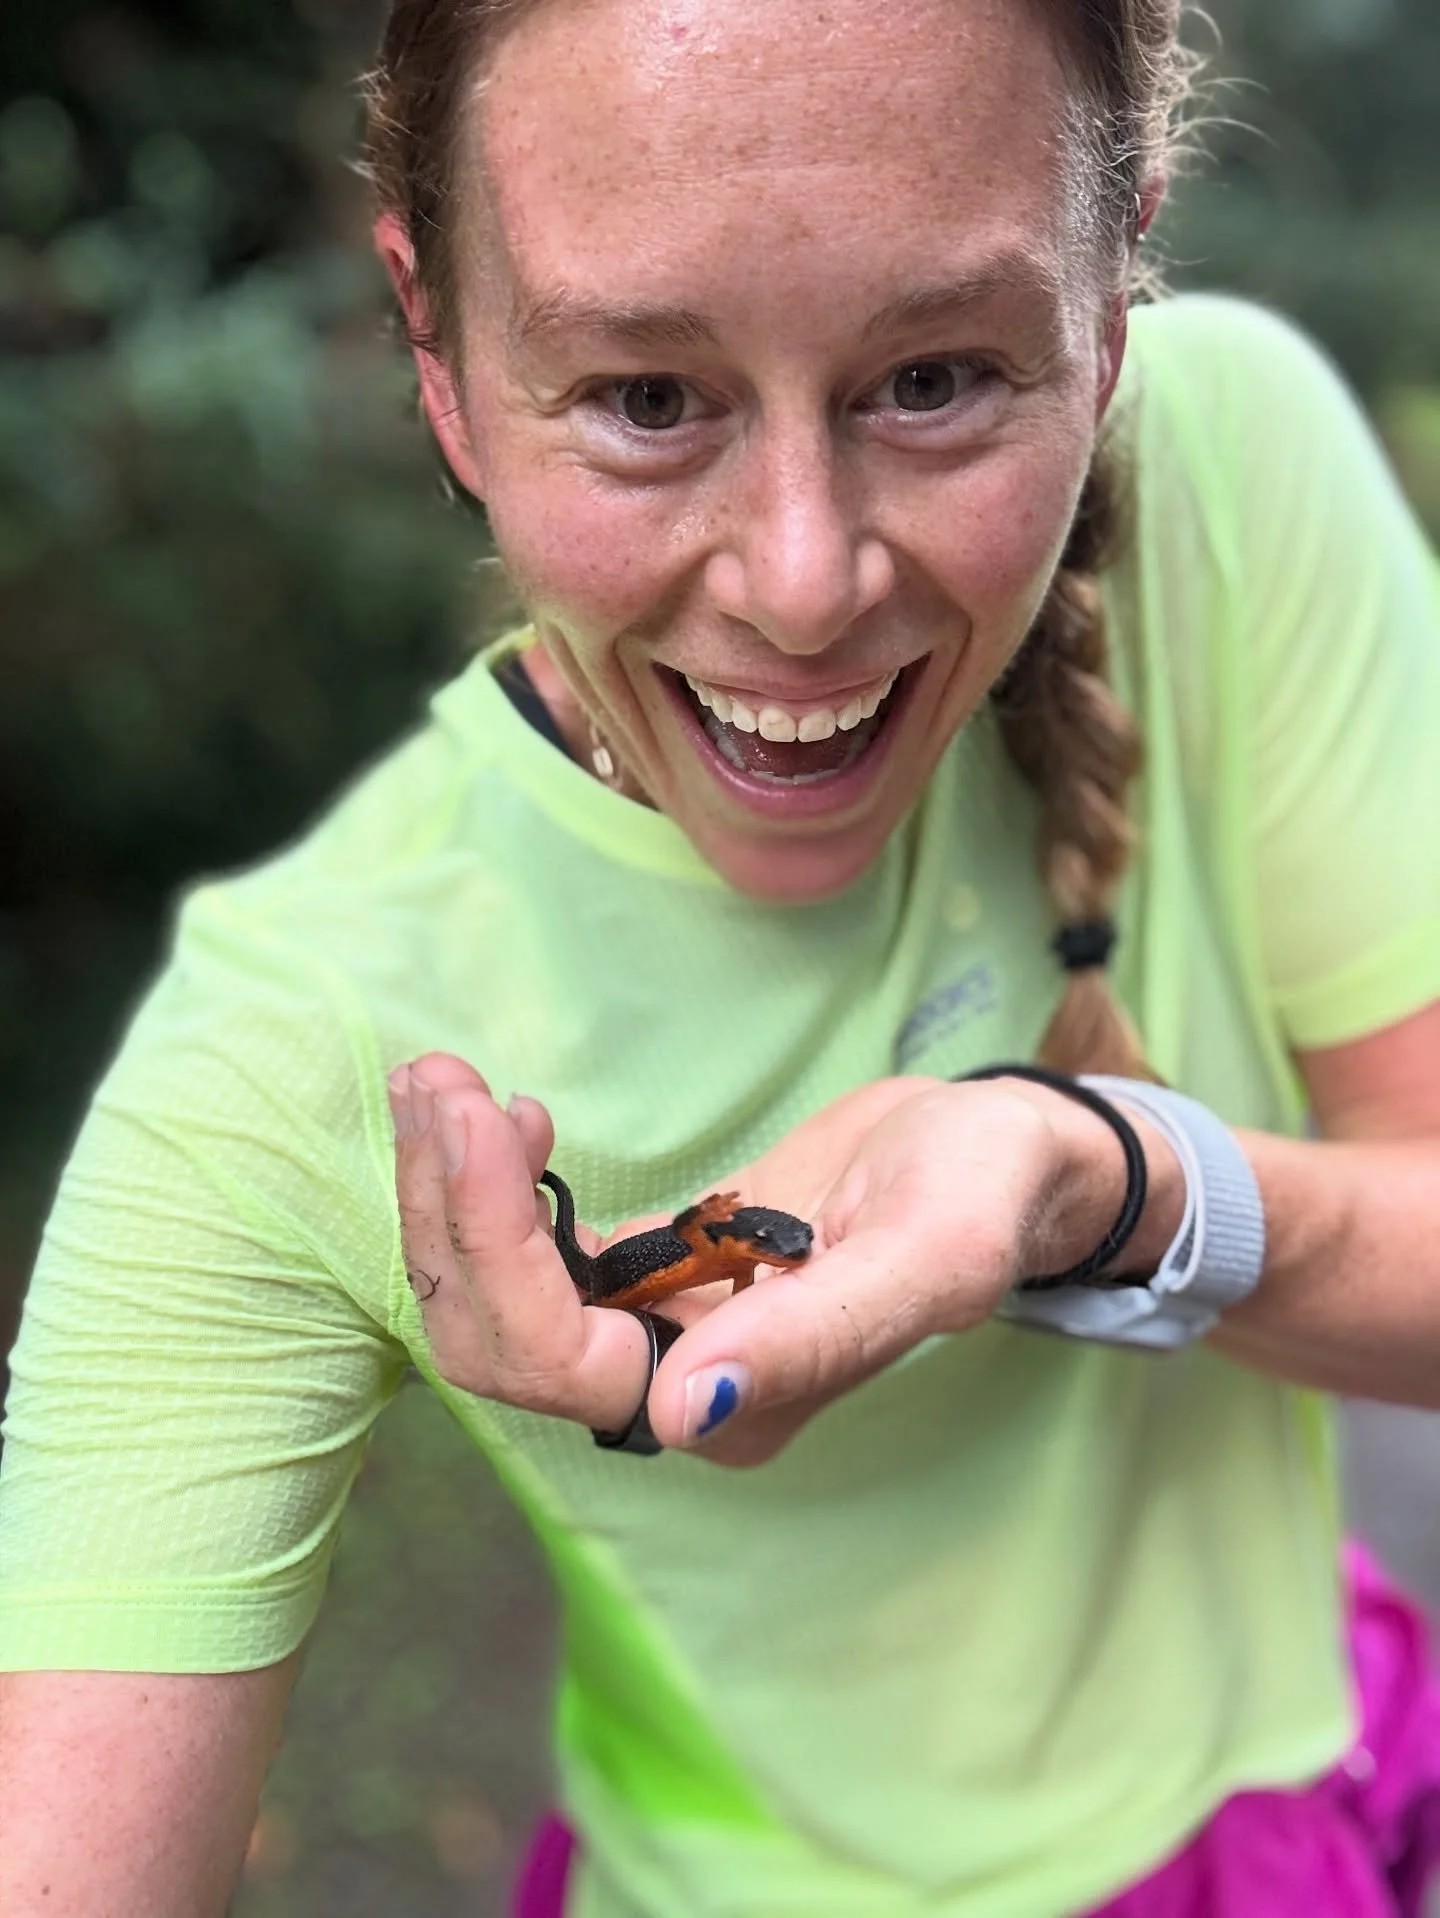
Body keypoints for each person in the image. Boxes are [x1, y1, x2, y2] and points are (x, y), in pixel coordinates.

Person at [3, 0, 1440, 1912]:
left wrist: (1101, 1180)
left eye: (932, 377)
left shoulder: (1235, 462)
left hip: (1302, 1787)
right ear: (439, 357)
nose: (801, 577)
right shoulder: (281, 1052)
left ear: (1112, 310)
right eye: (647, 399)